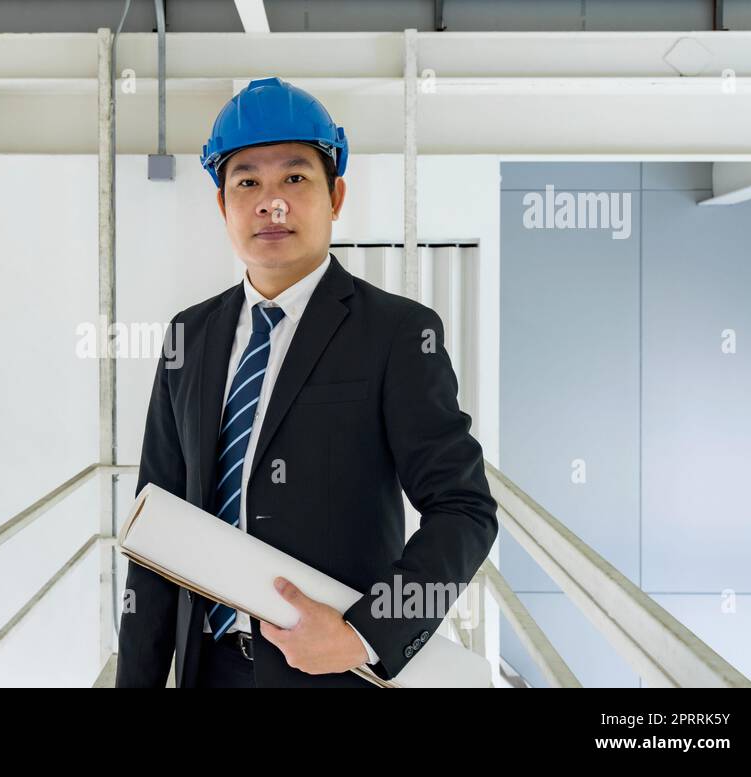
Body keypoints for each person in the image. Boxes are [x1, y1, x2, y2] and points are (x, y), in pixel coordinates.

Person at [115, 77, 498, 688]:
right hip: (205, 670)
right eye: (247, 182)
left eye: (295, 178)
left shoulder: (395, 333)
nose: (271, 203)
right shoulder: (189, 336)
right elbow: (158, 527)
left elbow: (465, 510)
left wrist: (366, 634)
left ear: (335, 196)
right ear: (223, 205)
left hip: (330, 673)